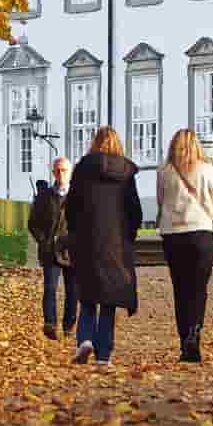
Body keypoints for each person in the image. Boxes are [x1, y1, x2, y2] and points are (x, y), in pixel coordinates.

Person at [65, 126, 143, 367]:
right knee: (109, 298)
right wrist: (127, 235)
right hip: (115, 242)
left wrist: (75, 232)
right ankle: (103, 353)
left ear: (94, 143)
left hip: (88, 239)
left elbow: (72, 206)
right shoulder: (126, 173)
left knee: (88, 293)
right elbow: (134, 210)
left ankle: (85, 339)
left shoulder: (83, 169)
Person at [156, 128, 213, 363]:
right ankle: (195, 331)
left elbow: (161, 200)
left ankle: (184, 339)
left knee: (180, 288)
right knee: (198, 288)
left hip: (173, 234)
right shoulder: (206, 170)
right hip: (201, 232)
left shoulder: (164, 171)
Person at [29, 158, 76, 340]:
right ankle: (50, 324)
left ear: (70, 172)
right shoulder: (44, 196)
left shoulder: (78, 195)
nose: (60, 174)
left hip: (72, 250)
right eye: (57, 170)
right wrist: (44, 241)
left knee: (73, 291)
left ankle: (69, 326)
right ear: (53, 173)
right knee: (50, 288)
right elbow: (33, 223)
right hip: (50, 249)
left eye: (64, 170)